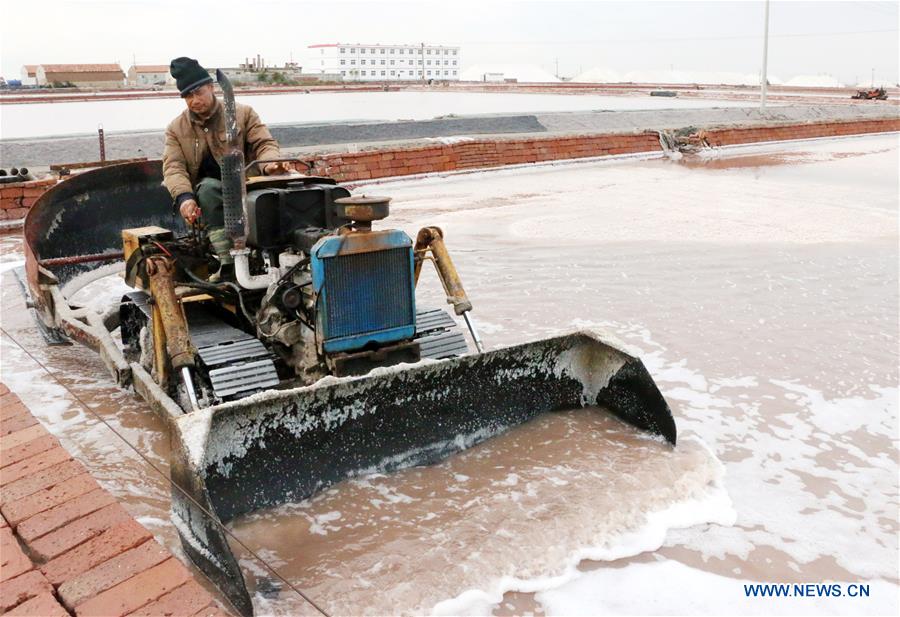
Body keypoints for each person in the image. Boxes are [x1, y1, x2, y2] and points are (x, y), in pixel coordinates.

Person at [161, 57, 291, 274]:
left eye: (198, 92)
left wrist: (270, 165)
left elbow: (264, 143)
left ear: (211, 88)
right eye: (188, 96)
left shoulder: (243, 113)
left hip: (246, 187)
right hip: (209, 197)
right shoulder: (176, 128)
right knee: (209, 189)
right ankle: (229, 264)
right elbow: (174, 167)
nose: (194, 100)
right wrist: (185, 198)